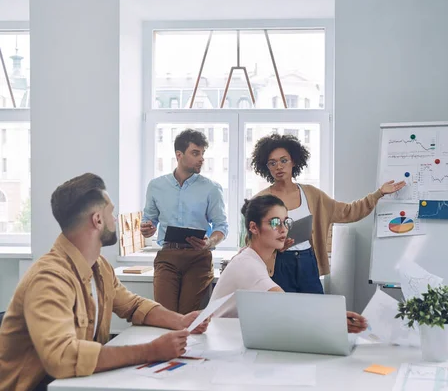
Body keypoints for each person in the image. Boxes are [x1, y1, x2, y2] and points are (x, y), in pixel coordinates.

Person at [0, 173, 210, 391]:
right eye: (112, 212)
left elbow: (134, 305)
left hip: (77, 384)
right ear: (97, 220)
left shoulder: (98, 266)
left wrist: (181, 321)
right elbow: (62, 358)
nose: (116, 219)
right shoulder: (49, 278)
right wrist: (151, 350)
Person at [250, 133, 406, 294]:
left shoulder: (312, 195)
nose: (279, 167)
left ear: (294, 161)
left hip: (307, 261)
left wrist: (379, 193)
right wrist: (276, 248)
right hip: (277, 265)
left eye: (284, 160)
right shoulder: (260, 200)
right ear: (266, 167)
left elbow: (348, 212)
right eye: (272, 163)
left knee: (315, 313)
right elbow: (252, 243)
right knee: (282, 313)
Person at [210, 195, 368, 333]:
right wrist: (334, 318)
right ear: (253, 227)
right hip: (220, 341)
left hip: (231, 336)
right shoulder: (248, 265)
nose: (283, 229)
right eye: (274, 223)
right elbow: (287, 306)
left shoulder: (252, 257)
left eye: (286, 222)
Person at [141, 129, 228, 314]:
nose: (201, 158)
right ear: (179, 155)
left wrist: (210, 242)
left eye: (203, 153)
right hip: (168, 256)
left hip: (198, 258)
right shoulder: (156, 186)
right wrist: (147, 228)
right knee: (165, 315)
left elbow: (221, 226)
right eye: (195, 153)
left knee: (188, 315)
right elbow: (149, 220)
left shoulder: (212, 189)